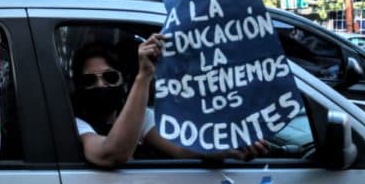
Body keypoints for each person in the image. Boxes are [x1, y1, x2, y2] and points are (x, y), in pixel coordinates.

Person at [72, 34, 268, 168]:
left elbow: (182, 148)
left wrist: (232, 146)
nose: (101, 86)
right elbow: (110, 154)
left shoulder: (140, 117)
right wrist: (145, 75)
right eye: (90, 81)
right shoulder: (75, 124)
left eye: (110, 78)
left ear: (123, 81)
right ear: (78, 87)